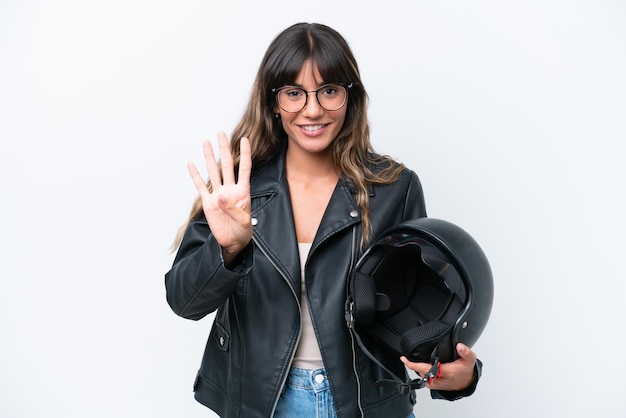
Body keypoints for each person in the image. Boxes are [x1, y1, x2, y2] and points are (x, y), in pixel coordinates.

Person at [165, 22, 481, 418]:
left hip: (367, 404)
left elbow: (423, 307)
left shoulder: (394, 188)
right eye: (294, 93)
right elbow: (183, 301)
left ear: (350, 97)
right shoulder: (237, 188)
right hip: (264, 405)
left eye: (328, 91)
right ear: (273, 101)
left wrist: (461, 375)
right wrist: (227, 250)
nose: (312, 110)